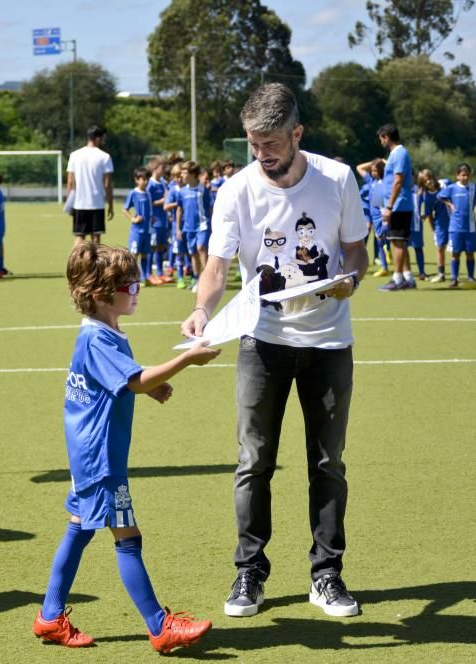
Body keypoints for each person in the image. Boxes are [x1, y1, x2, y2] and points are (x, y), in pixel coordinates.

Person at [182, 83, 368, 620]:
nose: (263, 155)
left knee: (328, 463)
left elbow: (355, 247)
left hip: (329, 341)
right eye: (254, 144)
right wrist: (201, 310)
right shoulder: (235, 190)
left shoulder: (337, 178)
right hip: (261, 342)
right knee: (253, 462)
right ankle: (250, 572)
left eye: (272, 144)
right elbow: (217, 267)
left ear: (297, 134)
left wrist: (349, 280)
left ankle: (327, 575)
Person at [33, 242, 217, 654]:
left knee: (79, 530)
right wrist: (187, 360)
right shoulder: (98, 338)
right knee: (127, 537)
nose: (137, 291)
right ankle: (160, 626)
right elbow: (131, 380)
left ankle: (49, 617)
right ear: (101, 295)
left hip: (90, 453)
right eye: (130, 286)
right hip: (101, 458)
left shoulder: (106, 331)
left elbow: (121, 382)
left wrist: (148, 390)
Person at [377, 124, 416, 290]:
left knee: (397, 242)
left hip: (398, 205)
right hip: (399, 205)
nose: (381, 142)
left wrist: (389, 206)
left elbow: (398, 180)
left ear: (386, 136)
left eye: (381, 138)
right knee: (400, 242)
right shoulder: (397, 154)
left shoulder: (399, 153)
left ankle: (397, 279)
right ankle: (408, 277)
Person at [437, 163, 476, 289]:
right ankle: (454, 279)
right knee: (455, 253)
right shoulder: (452, 188)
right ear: (457, 176)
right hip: (455, 227)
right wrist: (449, 204)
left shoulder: (473, 188)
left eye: (467, 175)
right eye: (462, 175)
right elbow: (439, 196)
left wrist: (475, 203)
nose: (465, 178)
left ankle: (471, 277)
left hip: (470, 227)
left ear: (470, 175)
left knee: (470, 253)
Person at [67, 126, 114, 247]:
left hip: (79, 203)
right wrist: (110, 205)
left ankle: (73, 264)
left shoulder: (74, 155)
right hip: (97, 203)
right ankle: (95, 265)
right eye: (103, 138)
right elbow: (107, 184)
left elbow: (70, 182)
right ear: (97, 138)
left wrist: (69, 203)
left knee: (80, 237)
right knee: (96, 238)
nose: (104, 140)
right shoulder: (105, 157)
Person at [175, 161, 213, 293]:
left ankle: (210, 279)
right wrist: (178, 229)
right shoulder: (182, 191)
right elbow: (179, 210)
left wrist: (214, 225)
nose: (182, 175)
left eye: (184, 172)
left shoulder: (203, 190)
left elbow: (211, 207)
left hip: (203, 225)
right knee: (193, 254)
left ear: (193, 175)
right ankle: (197, 279)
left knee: (201, 248)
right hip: (188, 227)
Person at [419, 170, 450, 283]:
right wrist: (433, 231)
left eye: (429, 178)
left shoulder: (446, 183)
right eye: (425, 181)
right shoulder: (427, 197)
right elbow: (429, 215)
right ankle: (441, 274)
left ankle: (456, 275)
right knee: (440, 248)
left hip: (456, 220)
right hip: (441, 223)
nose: (429, 181)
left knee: (458, 248)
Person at [123, 167, 153, 284]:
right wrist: (133, 219)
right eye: (143, 179)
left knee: (145, 254)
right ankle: (132, 278)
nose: (146, 182)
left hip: (147, 230)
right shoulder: (133, 193)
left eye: (147, 179)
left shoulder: (148, 193)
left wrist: (152, 217)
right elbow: (125, 209)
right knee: (134, 254)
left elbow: (149, 209)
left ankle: (144, 277)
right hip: (137, 231)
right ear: (137, 180)